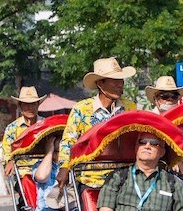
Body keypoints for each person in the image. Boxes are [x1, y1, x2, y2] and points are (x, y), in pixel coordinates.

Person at [55, 57, 140, 193]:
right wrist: (64, 167)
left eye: (121, 80)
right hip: (90, 178)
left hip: (125, 178)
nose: (120, 84)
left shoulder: (130, 107)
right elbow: (68, 140)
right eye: (115, 80)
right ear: (100, 83)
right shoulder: (82, 108)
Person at [29, 134, 79, 211]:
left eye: (61, 151)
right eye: (56, 151)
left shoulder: (74, 166)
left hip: (72, 207)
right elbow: (41, 177)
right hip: (50, 209)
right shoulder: (39, 165)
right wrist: (49, 152)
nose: (59, 155)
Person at [0, 86, 44, 178]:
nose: (30, 108)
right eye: (26, 104)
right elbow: (7, 152)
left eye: (33, 104)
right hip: (21, 172)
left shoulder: (46, 125)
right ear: (20, 106)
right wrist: (10, 161)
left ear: (38, 105)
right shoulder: (12, 128)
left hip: (45, 169)